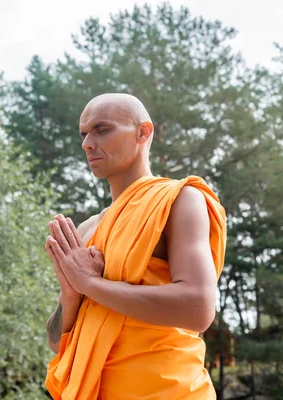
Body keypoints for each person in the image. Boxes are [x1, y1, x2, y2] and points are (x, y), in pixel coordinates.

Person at [44, 93, 227, 399]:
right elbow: (57, 343)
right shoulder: (87, 228)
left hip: (167, 390)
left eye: (102, 129)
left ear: (144, 132)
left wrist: (91, 283)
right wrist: (71, 293)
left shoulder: (178, 199)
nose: (87, 143)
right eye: (84, 133)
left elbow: (198, 308)